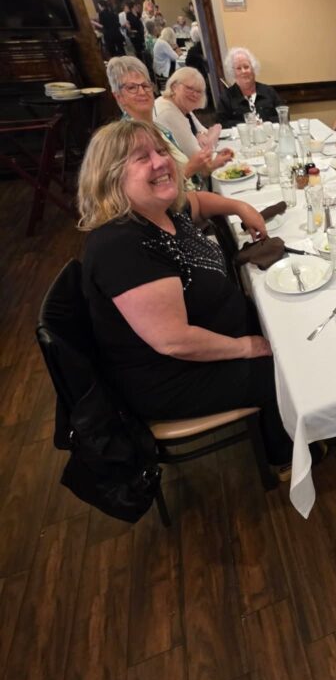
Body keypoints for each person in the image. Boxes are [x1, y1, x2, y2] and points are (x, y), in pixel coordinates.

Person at [78, 119, 293, 471]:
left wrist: (239, 207)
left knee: (287, 320)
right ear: (110, 176)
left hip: (207, 341)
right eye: (142, 158)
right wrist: (246, 347)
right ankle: (283, 456)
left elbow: (197, 201)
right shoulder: (122, 245)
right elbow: (174, 341)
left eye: (161, 151)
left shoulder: (158, 211)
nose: (160, 162)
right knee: (285, 371)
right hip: (171, 375)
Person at [106, 56, 229, 185]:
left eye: (145, 85)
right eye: (132, 88)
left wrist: (214, 164)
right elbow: (154, 190)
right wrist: (192, 167)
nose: (142, 92)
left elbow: (189, 169)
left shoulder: (158, 128)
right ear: (118, 97)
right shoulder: (127, 139)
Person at [154, 66, 227, 161]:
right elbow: (199, 156)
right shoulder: (168, 112)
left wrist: (200, 134)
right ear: (174, 87)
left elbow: (202, 130)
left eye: (199, 91)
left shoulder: (182, 106)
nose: (194, 94)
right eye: (189, 88)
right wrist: (213, 136)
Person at [216, 47, 283, 126]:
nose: (243, 71)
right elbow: (222, 123)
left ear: (253, 68)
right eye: (238, 68)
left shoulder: (268, 91)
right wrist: (247, 125)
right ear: (233, 72)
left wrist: (264, 123)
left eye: (246, 67)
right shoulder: (226, 97)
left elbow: (283, 115)